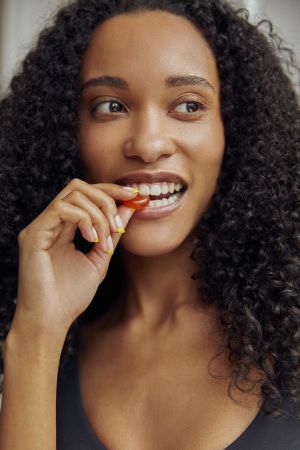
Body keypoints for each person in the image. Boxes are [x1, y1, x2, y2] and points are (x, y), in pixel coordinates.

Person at [0, 0, 299, 448]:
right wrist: (36, 335)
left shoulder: (289, 334)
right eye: (110, 106)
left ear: (235, 130)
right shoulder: (43, 336)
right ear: (66, 133)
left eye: (188, 105)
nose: (147, 144)